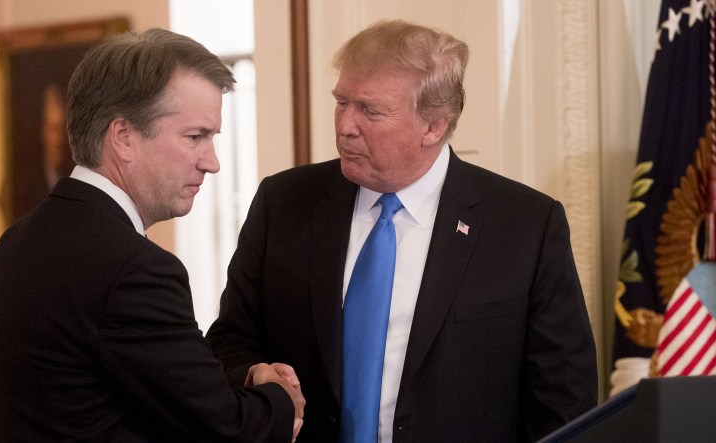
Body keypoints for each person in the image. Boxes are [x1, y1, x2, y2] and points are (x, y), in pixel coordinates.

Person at [206, 19, 597, 442]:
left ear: (434, 126)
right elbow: (230, 338)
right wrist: (254, 372)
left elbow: (564, 401)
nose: (344, 125)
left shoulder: (524, 225)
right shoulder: (284, 202)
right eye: (342, 102)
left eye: (370, 110)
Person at [0, 28, 304, 442]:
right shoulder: (134, 269)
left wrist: (246, 377)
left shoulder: (16, 241)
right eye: (195, 136)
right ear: (124, 137)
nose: (212, 163)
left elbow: (162, 386)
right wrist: (281, 398)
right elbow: (225, 431)